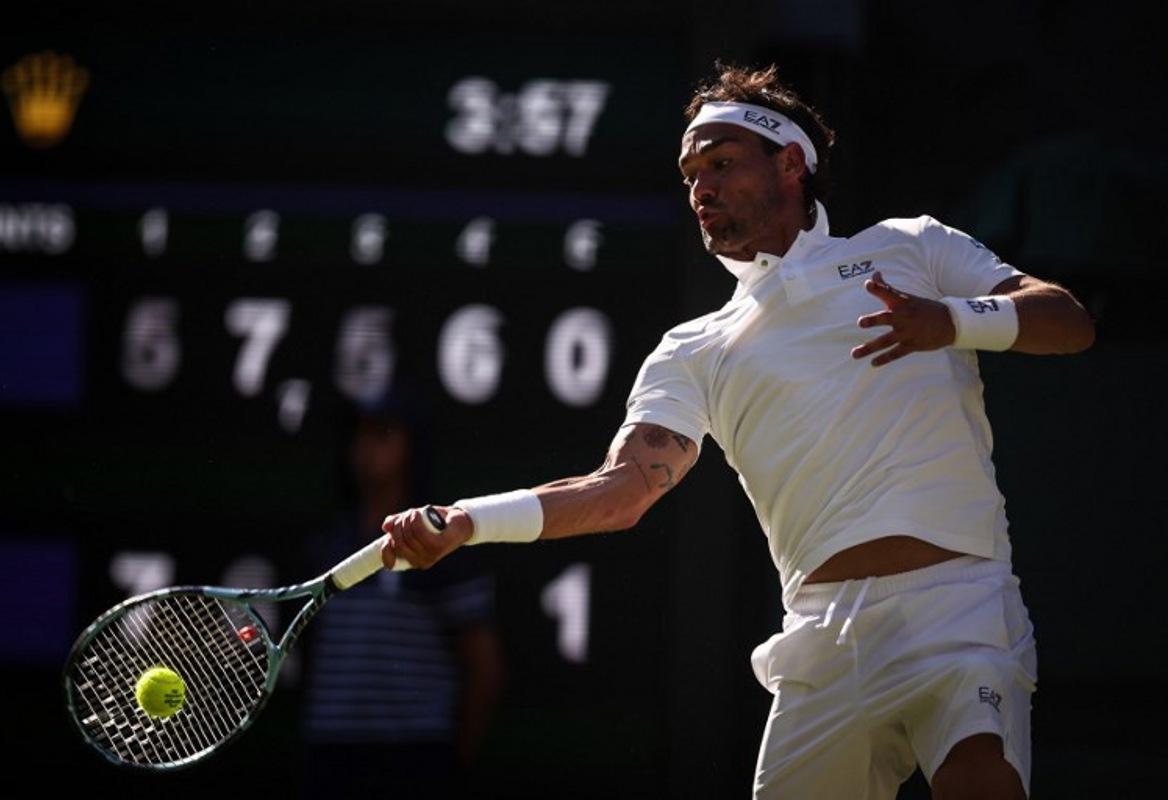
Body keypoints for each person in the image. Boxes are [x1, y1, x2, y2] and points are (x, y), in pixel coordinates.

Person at [380, 63, 1094, 799]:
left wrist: (947, 320)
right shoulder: (693, 349)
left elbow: (1066, 322)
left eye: (721, 164)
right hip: (820, 642)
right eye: (691, 174)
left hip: (959, 606)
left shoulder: (912, 248)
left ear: (791, 164)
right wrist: (469, 522)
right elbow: (621, 493)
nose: (701, 189)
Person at [300, 392, 503, 799]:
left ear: (412, 448)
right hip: (331, 755)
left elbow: (484, 670)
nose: (365, 448)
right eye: (360, 435)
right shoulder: (323, 546)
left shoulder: (443, 548)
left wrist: (451, 761)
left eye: (382, 435)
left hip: (415, 758)